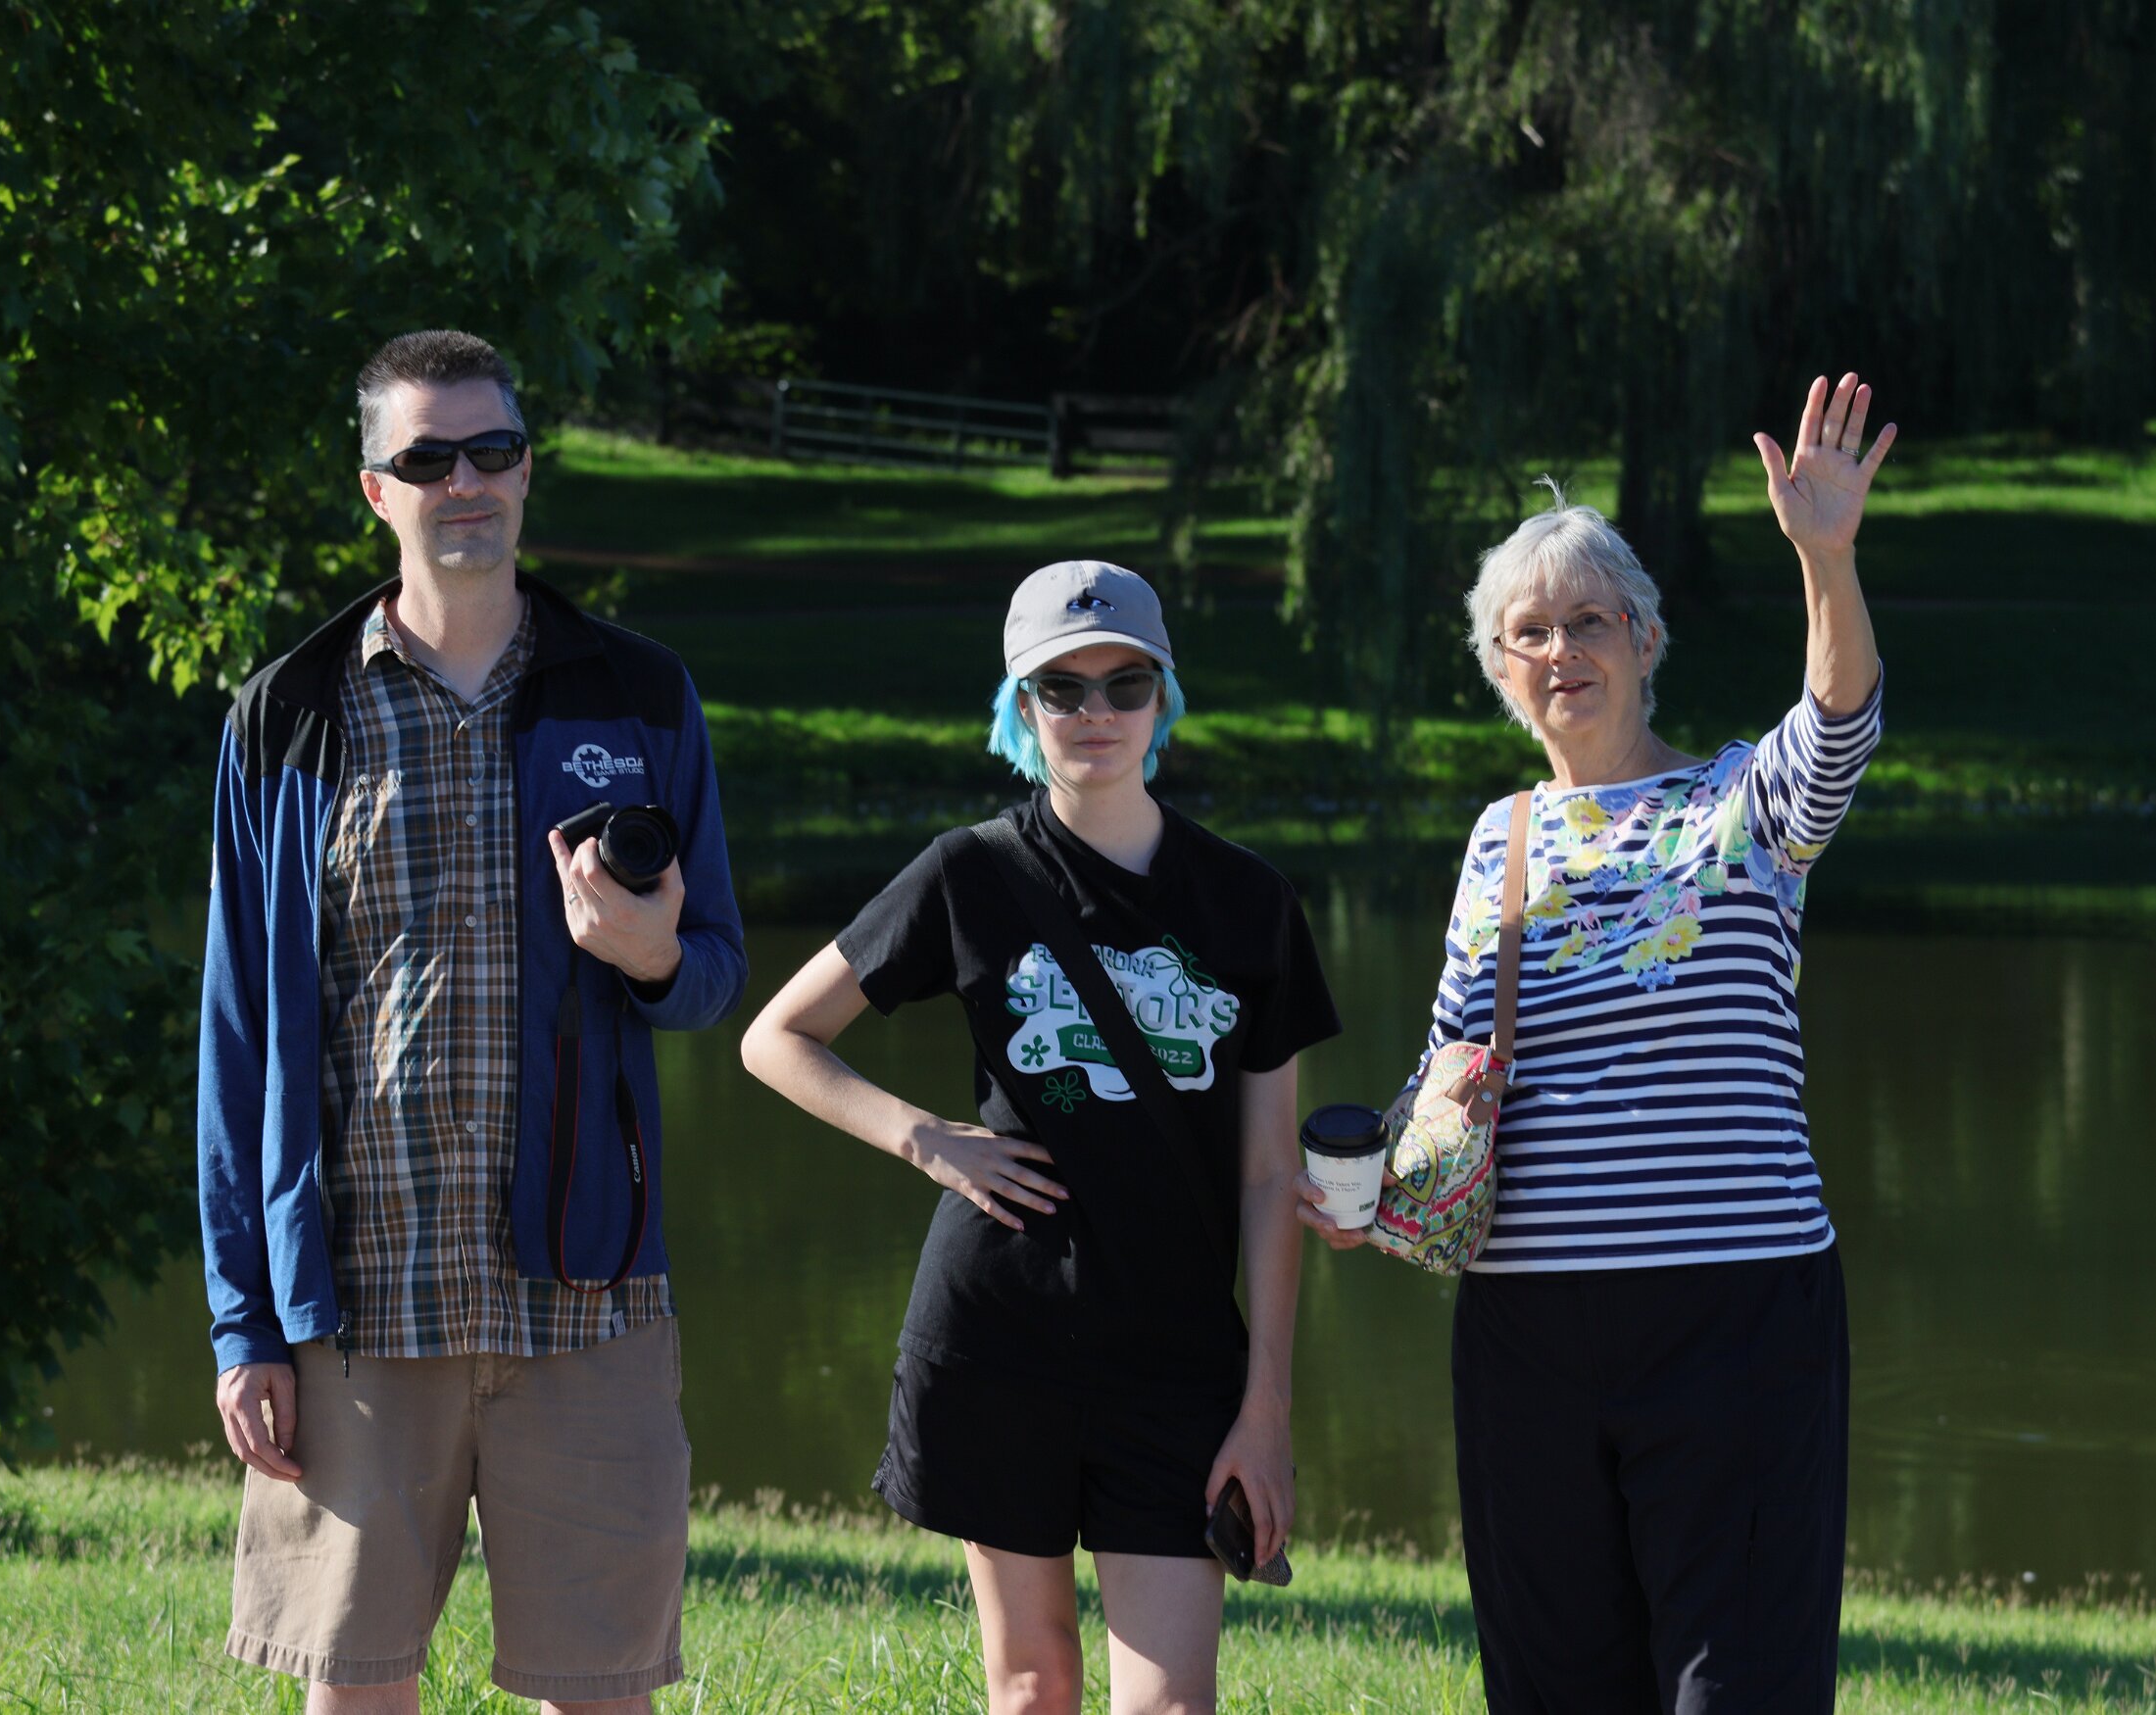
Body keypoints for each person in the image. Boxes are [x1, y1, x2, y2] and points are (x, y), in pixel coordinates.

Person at [1301, 374, 1895, 1712]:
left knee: (1736, 1684)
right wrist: (1373, 1181)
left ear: (1644, 637)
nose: (1560, 648)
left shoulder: (1743, 802)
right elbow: (1453, 1060)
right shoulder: (1499, 837)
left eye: (1588, 620)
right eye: (1529, 631)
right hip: (1526, 1327)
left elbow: (1840, 720)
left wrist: (1826, 558)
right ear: (1501, 670)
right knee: (1557, 1684)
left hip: (1737, 1306)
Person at [195, 328, 746, 1712]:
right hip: (359, 1301)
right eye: (428, 457)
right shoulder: (289, 715)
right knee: (355, 1683)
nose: (465, 481)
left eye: (492, 449)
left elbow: (714, 970)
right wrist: (244, 1323)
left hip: (590, 1290)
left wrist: (650, 954)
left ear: (527, 469)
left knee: (600, 1687)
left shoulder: (636, 692)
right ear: (374, 489)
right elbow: (237, 1039)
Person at [741, 562, 1341, 1715]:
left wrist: (1265, 1406)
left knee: (1171, 1703)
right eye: (1061, 688)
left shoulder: (1250, 903)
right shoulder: (972, 873)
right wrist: (926, 1137)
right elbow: (777, 1037)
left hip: (1176, 1356)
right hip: (998, 1334)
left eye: (1125, 683)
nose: (1095, 711)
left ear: (1164, 696)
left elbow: (1272, 1177)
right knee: (1031, 1686)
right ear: (1022, 706)